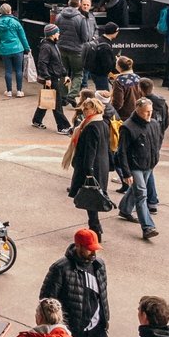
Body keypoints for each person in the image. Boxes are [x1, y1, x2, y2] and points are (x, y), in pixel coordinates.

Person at [115, 98, 162, 240]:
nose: (149, 115)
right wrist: (126, 173)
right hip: (135, 166)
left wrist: (154, 159)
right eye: (146, 112)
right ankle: (147, 227)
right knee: (142, 194)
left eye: (150, 112)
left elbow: (157, 141)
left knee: (136, 189)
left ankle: (124, 209)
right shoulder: (128, 127)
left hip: (148, 164)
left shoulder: (153, 124)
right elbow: (121, 151)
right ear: (137, 110)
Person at [66, 94, 111, 236]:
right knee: (93, 197)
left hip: (92, 167)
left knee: (91, 197)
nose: (84, 111)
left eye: (87, 109)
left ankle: (95, 227)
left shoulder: (91, 127)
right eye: (84, 108)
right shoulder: (102, 123)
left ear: (95, 110)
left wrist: (88, 170)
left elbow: (90, 151)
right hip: (101, 165)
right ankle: (95, 226)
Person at [0, 3, 29, 99]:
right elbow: (22, 37)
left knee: (8, 71)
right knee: (19, 70)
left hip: (5, 50)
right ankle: (19, 91)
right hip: (17, 49)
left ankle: (9, 91)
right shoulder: (16, 22)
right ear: (10, 11)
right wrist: (27, 48)